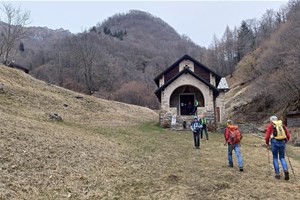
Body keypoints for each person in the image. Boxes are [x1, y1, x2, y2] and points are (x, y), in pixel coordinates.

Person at [265, 115, 291, 180]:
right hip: (282, 142)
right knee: (282, 157)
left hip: (274, 142)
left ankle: (277, 174)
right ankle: (285, 170)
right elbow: (287, 135)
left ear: (271, 120)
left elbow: (267, 136)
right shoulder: (282, 125)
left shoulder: (270, 126)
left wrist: (267, 142)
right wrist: (285, 141)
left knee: (275, 157)